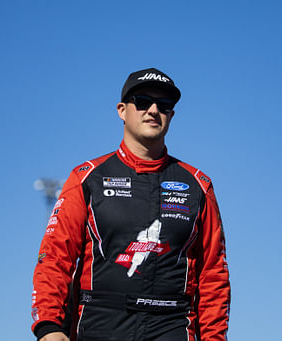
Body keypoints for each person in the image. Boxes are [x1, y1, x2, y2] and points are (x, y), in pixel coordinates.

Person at [31, 67, 230, 341]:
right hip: (100, 323)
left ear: (172, 115)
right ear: (122, 110)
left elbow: (213, 275)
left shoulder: (199, 186)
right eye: (143, 101)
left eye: (164, 104)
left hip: (171, 326)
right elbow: (55, 256)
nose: (153, 110)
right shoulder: (86, 178)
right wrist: (49, 326)